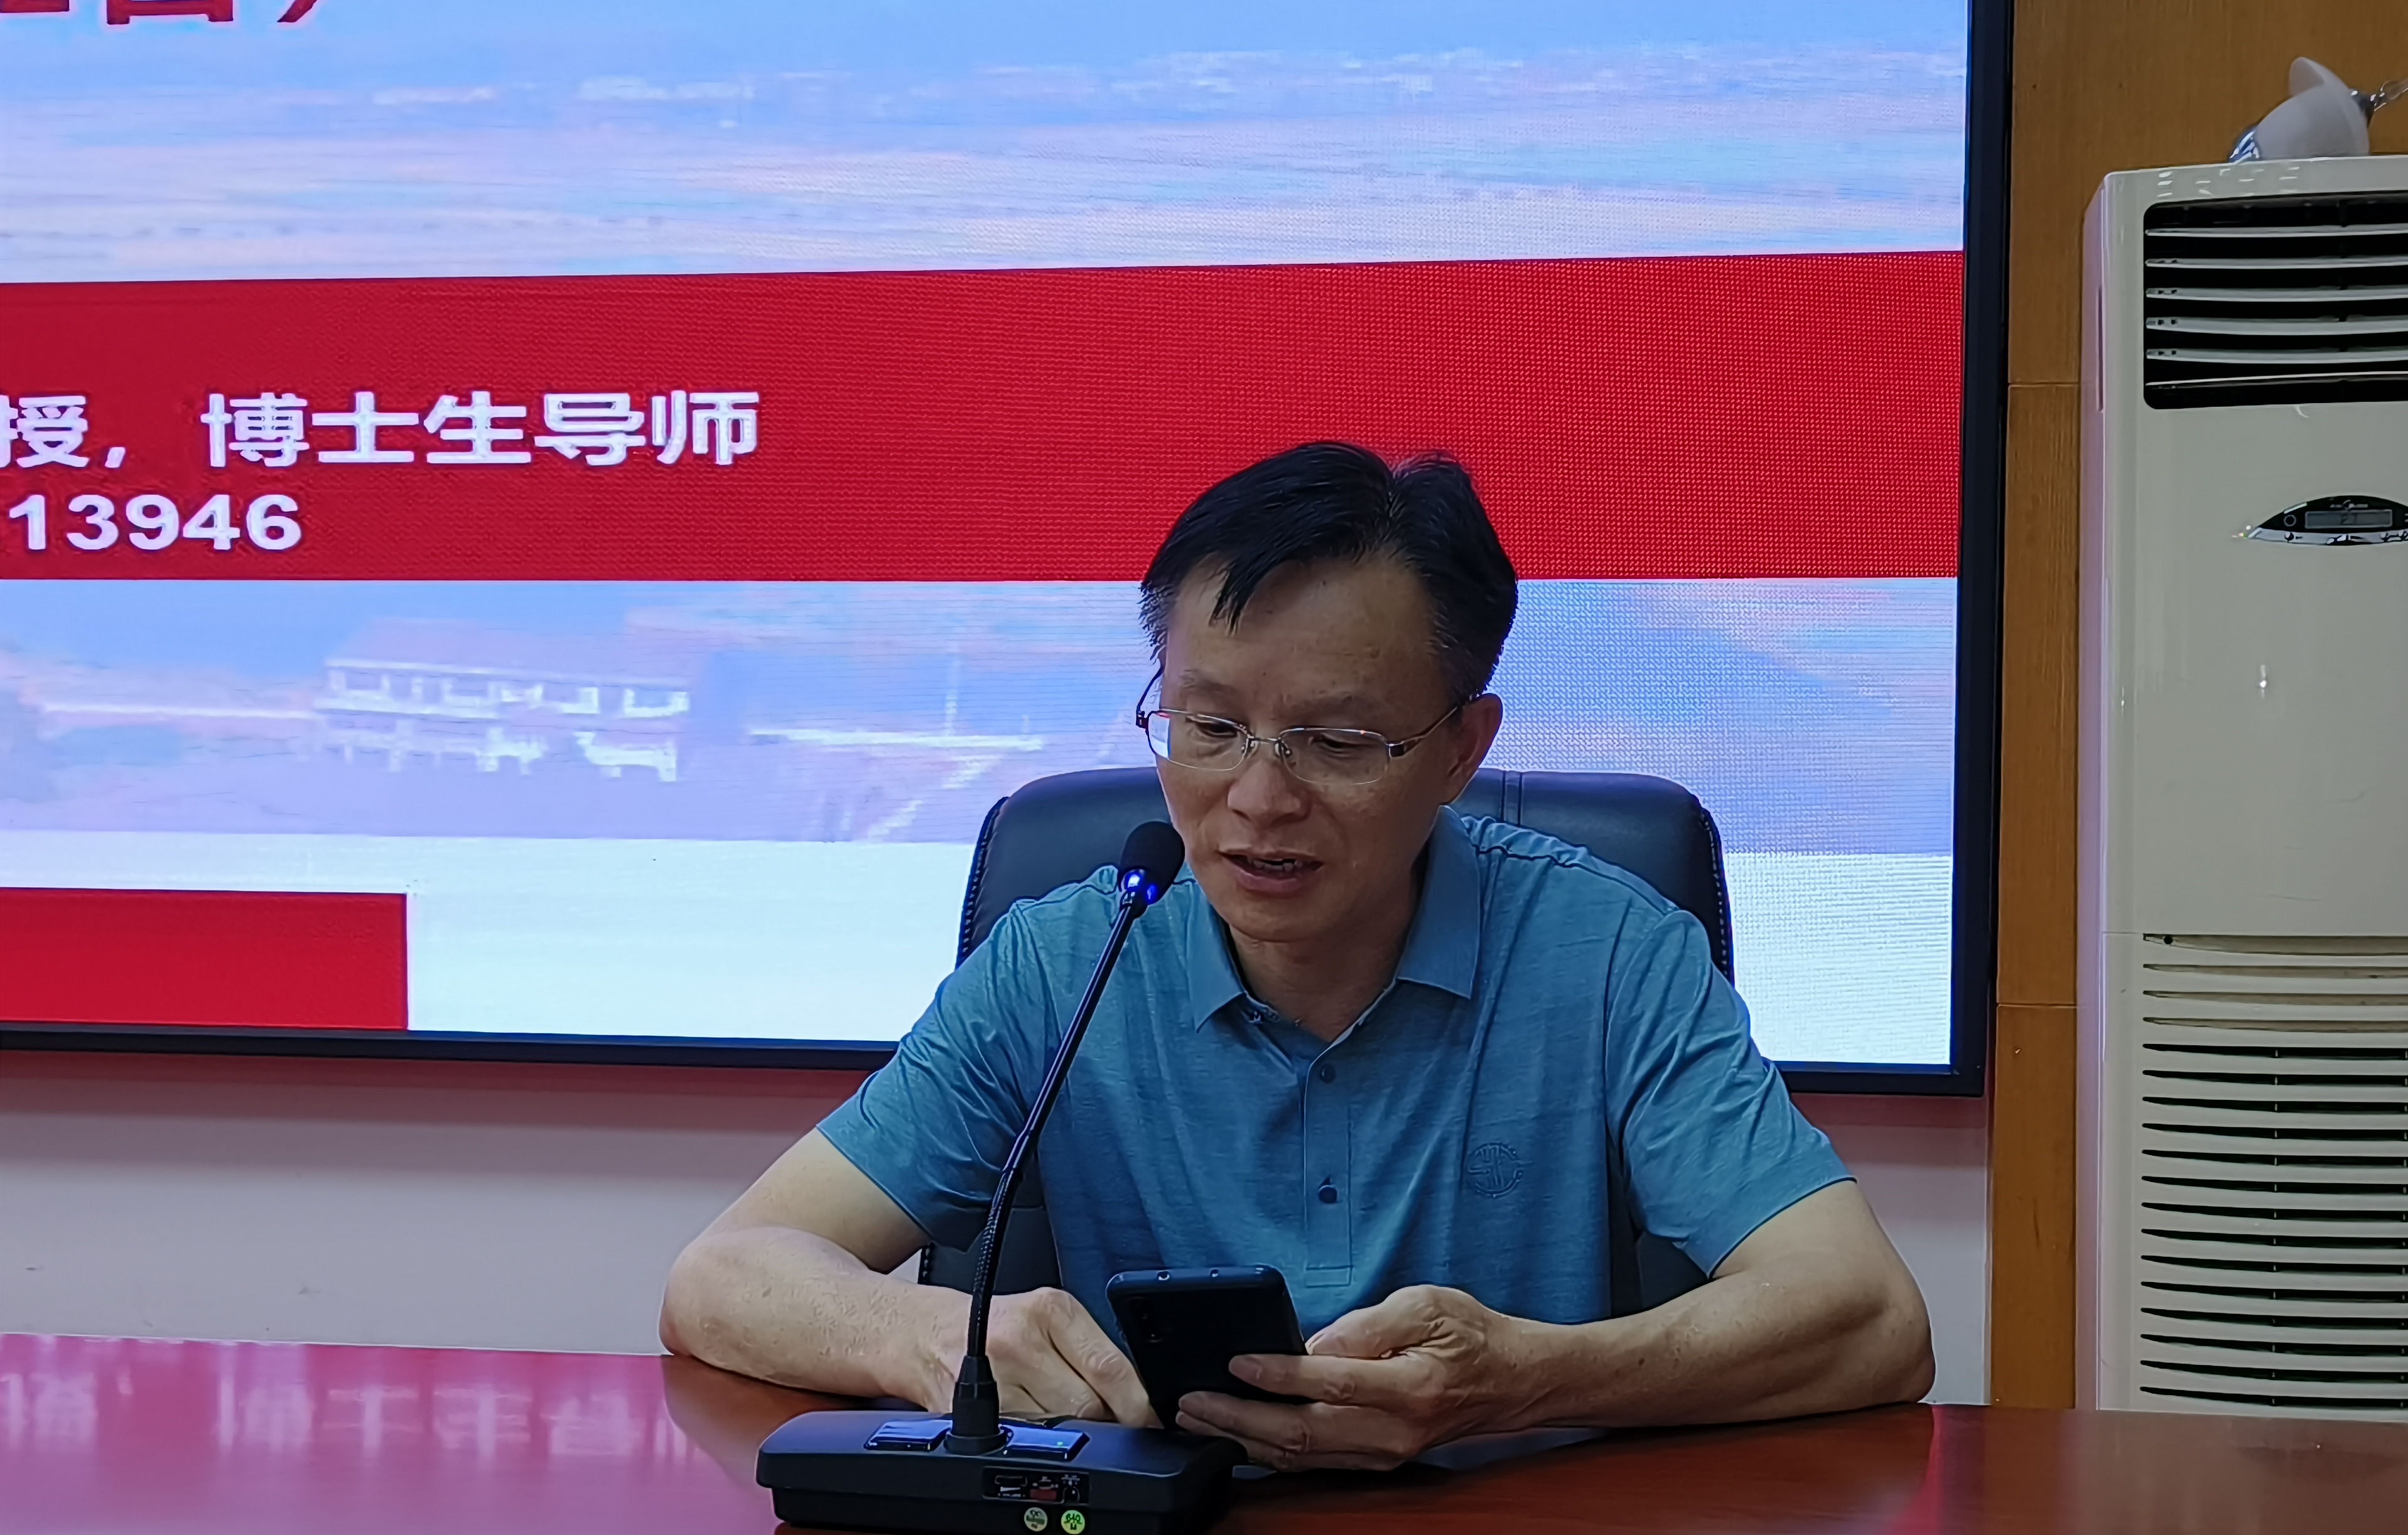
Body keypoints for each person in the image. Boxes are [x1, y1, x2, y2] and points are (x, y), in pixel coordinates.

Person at [661, 441, 1931, 1469]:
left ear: (1460, 748)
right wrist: (929, 1336)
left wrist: (1528, 1381)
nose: (1258, 802)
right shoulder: (1068, 958)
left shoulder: (1607, 954)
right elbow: (723, 1277)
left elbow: (1869, 1318)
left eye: (1336, 743)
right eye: (1210, 727)